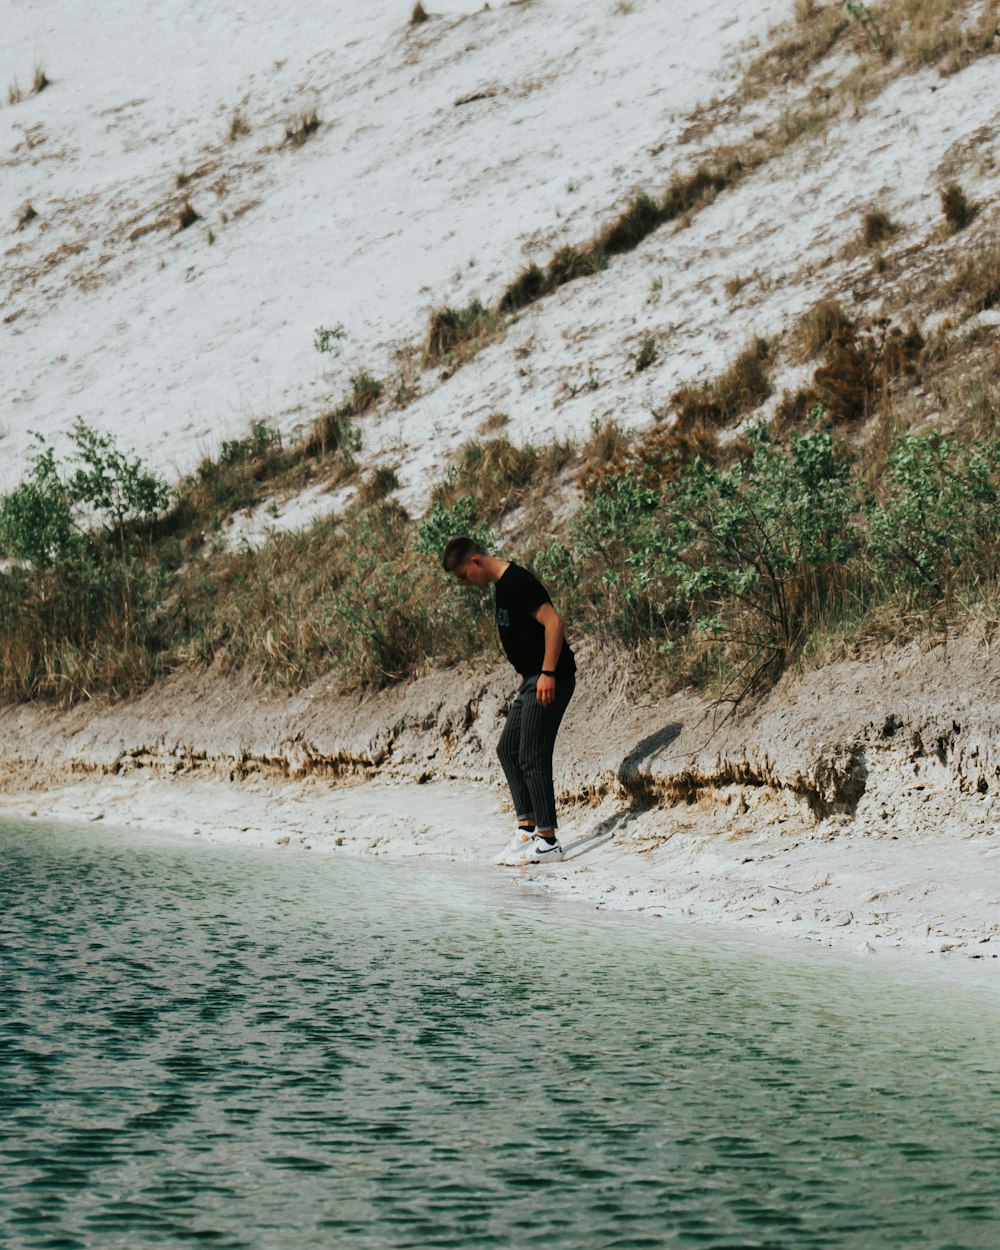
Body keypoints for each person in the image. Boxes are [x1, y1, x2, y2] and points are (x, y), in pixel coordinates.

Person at [442, 536, 576, 865]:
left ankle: (548, 840)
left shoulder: (518, 582)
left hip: (549, 678)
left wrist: (547, 672)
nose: (466, 583)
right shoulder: (501, 587)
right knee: (508, 749)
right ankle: (527, 831)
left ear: (475, 561)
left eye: (463, 576)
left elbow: (554, 624)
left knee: (532, 753)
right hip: (532, 678)